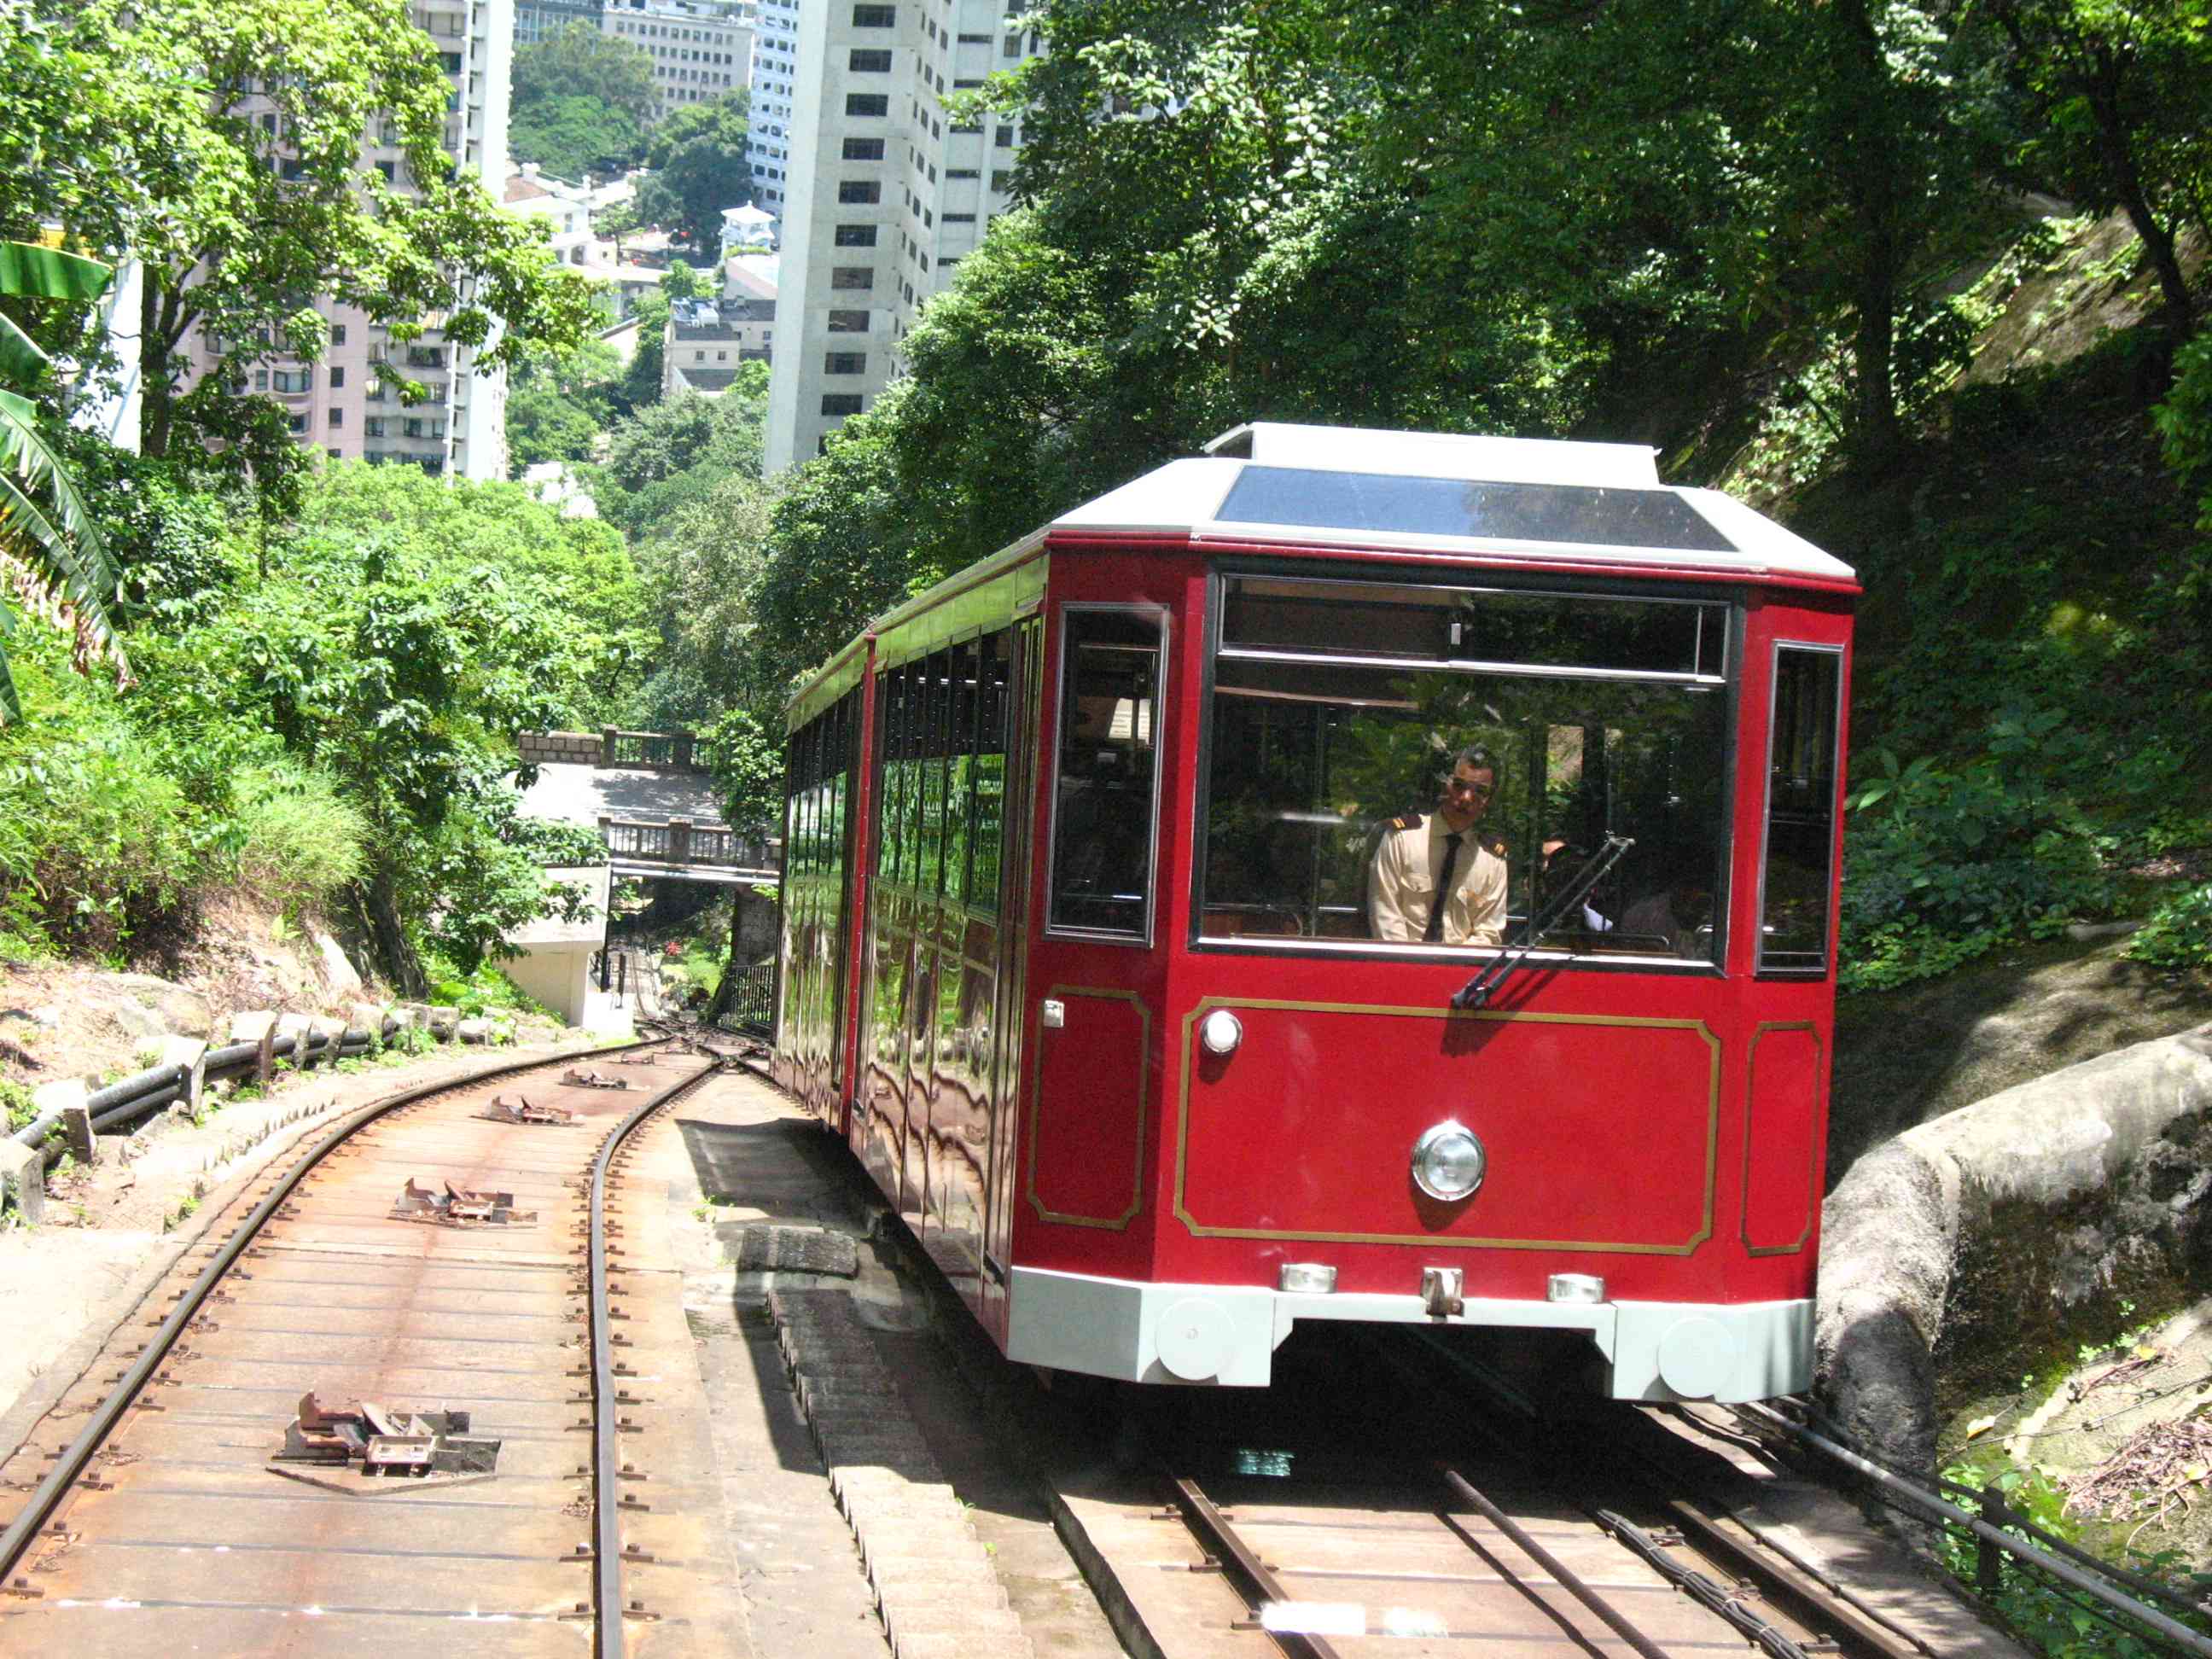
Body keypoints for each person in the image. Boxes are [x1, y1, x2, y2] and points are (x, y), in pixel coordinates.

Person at [1368, 745, 1509, 946]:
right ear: (1445, 785)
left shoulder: (1492, 860)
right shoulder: (1401, 839)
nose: (1467, 798)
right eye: (1459, 785)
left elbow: (1489, 932)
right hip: (1400, 965)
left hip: (1461, 973)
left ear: (1489, 800)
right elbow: (1385, 916)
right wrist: (1409, 969)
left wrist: (1453, 972)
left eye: (1480, 791)